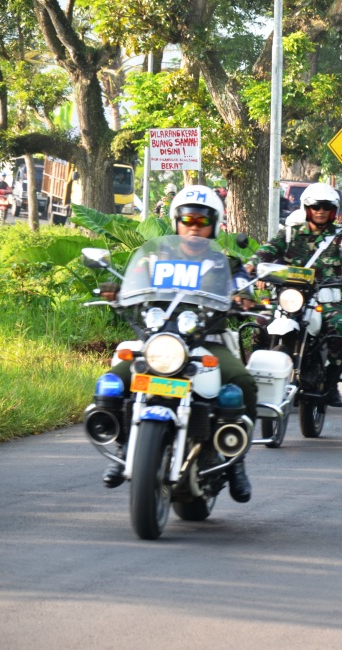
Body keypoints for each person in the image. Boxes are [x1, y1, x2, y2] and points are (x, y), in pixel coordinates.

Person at [101, 185, 257, 502]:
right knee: (113, 381)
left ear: (214, 224)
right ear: (176, 221)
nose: (193, 227)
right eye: (187, 219)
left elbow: (243, 286)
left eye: (202, 221)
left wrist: (245, 297)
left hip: (207, 341)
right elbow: (131, 283)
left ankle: (236, 461)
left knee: (242, 382)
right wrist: (114, 292)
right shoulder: (153, 256)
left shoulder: (225, 263)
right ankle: (123, 442)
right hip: (159, 341)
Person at [249, 182, 342, 408]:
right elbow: (268, 250)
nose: (320, 211)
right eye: (315, 206)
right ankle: (253, 379)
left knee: (341, 329)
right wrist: (253, 266)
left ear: (333, 211)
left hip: (326, 299)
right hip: (288, 297)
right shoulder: (291, 233)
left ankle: (331, 385)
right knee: (260, 323)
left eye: (325, 207)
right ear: (306, 208)